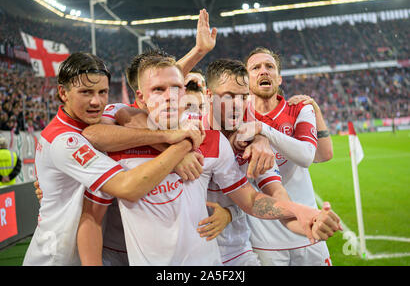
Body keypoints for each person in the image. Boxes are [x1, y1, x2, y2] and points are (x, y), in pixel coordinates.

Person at [79, 56, 341, 266]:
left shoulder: (220, 141)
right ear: (140, 98)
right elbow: (96, 134)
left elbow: (252, 199)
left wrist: (302, 213)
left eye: (176, 89)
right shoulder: (120, 141)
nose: (169, 96)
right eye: (158, 89)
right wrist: (175, 147)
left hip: (228, 256)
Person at [23, 52, 202, 266]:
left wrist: (199, 51)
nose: (95, 101)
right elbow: (127, 187)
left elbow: (157, 83)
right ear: (63, 93)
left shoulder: (103, 118)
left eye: (103, 92)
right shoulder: (65, 140)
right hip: (57, 257)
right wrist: (180, 147)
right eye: (85, 92)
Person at [235, 46, 336, 266]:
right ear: (245, 79)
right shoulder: (235, 117)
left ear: (279, 78)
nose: (264, 71)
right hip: (265, 240)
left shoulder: (298, 108)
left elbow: (307, 156)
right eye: (256, 67)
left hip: (309, 229)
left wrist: (262, 129)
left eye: (269, 67)